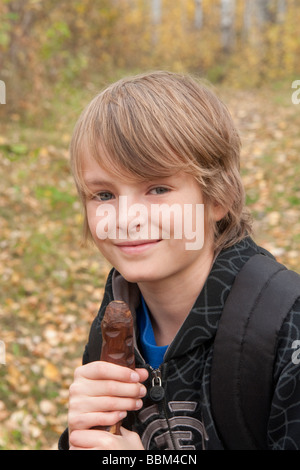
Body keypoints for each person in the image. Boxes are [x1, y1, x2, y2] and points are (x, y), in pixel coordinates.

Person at [59, 71, 300, 450]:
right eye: (103, 195)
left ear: (218, 197)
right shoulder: (115, 321)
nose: (126, 218)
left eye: (157, 188)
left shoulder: (286, 328)